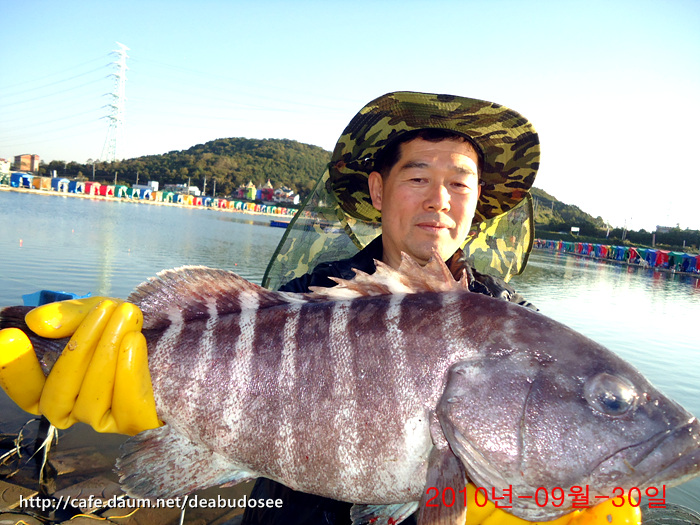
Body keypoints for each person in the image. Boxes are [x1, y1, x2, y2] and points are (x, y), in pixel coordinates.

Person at [0, 91, 540, 524]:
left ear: (478, 201)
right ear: (378, 191)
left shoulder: (520, 326)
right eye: (418, 178)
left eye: (459, 184)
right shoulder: (306, 294)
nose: (439, 199)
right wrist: (124, 379)